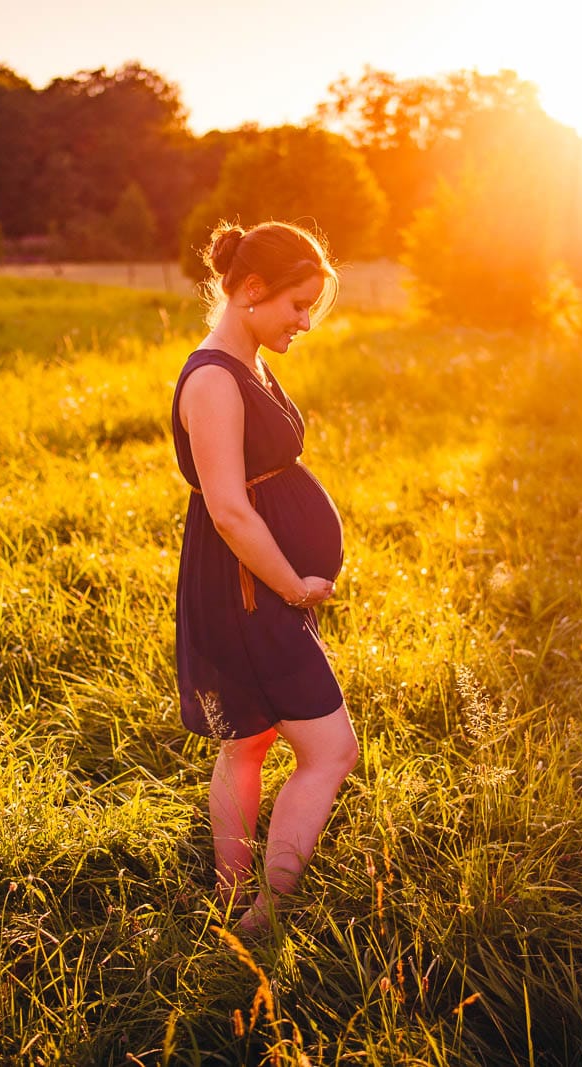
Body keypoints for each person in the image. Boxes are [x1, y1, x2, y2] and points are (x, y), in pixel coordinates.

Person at [170, 220, 358, 934]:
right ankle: (265, 913)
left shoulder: (246, 361)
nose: (305, 322)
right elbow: (228, 510)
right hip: (250, 589)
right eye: (297, 304)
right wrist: (291, 586)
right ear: (252, 289)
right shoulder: (214, 379)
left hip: (252, 585)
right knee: (331, 751)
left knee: (247, 742)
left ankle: (229, 899)